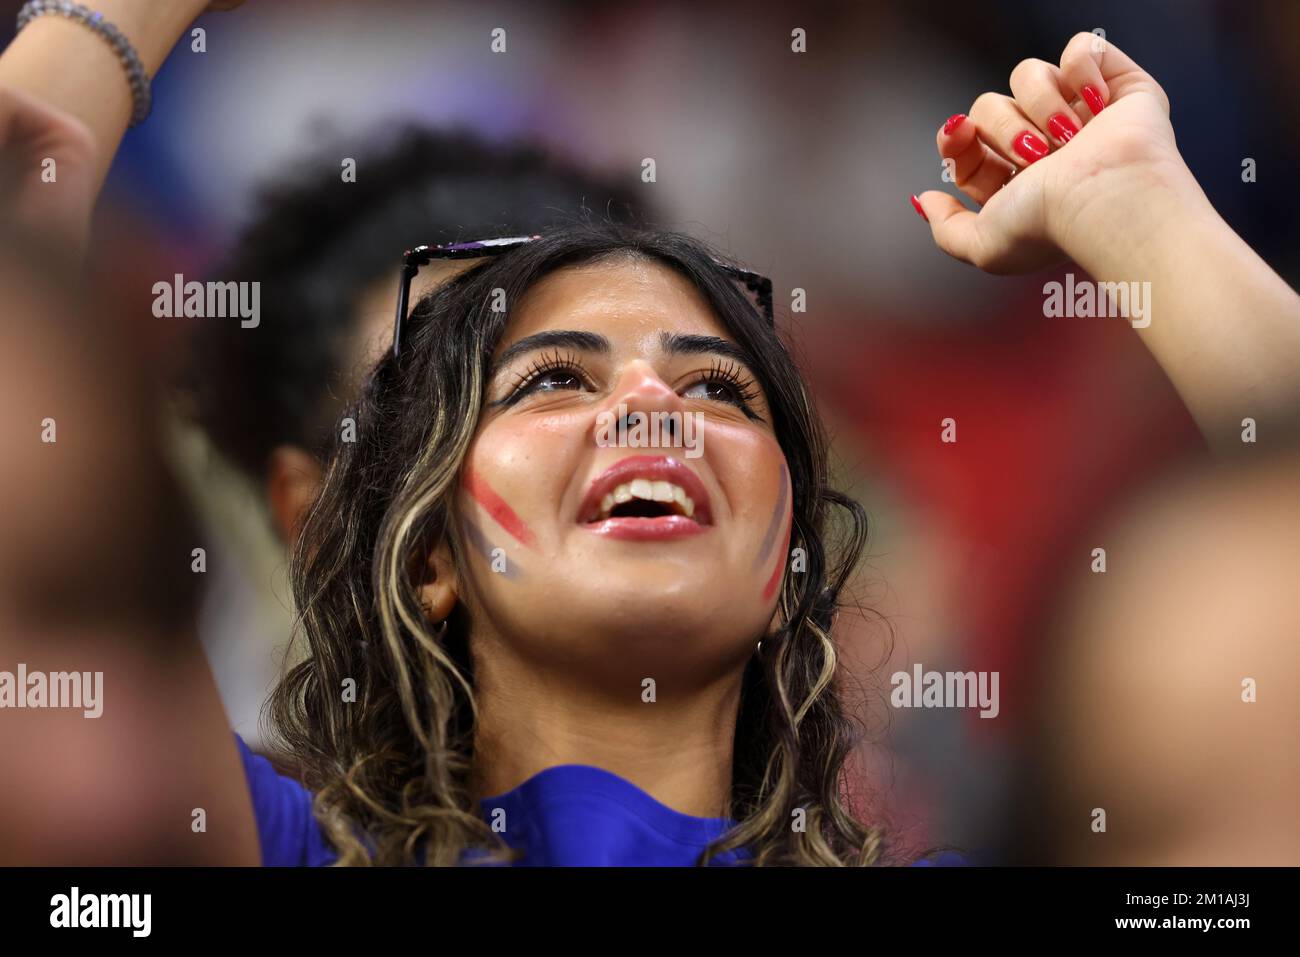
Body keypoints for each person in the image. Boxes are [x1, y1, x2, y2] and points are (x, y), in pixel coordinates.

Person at [1, 4, 1297, 865]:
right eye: (554, 379)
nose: (649, 408)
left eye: (723, 391)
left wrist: (1137, 217)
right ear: (429, 554)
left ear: (792, 549)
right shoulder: (279, 846)